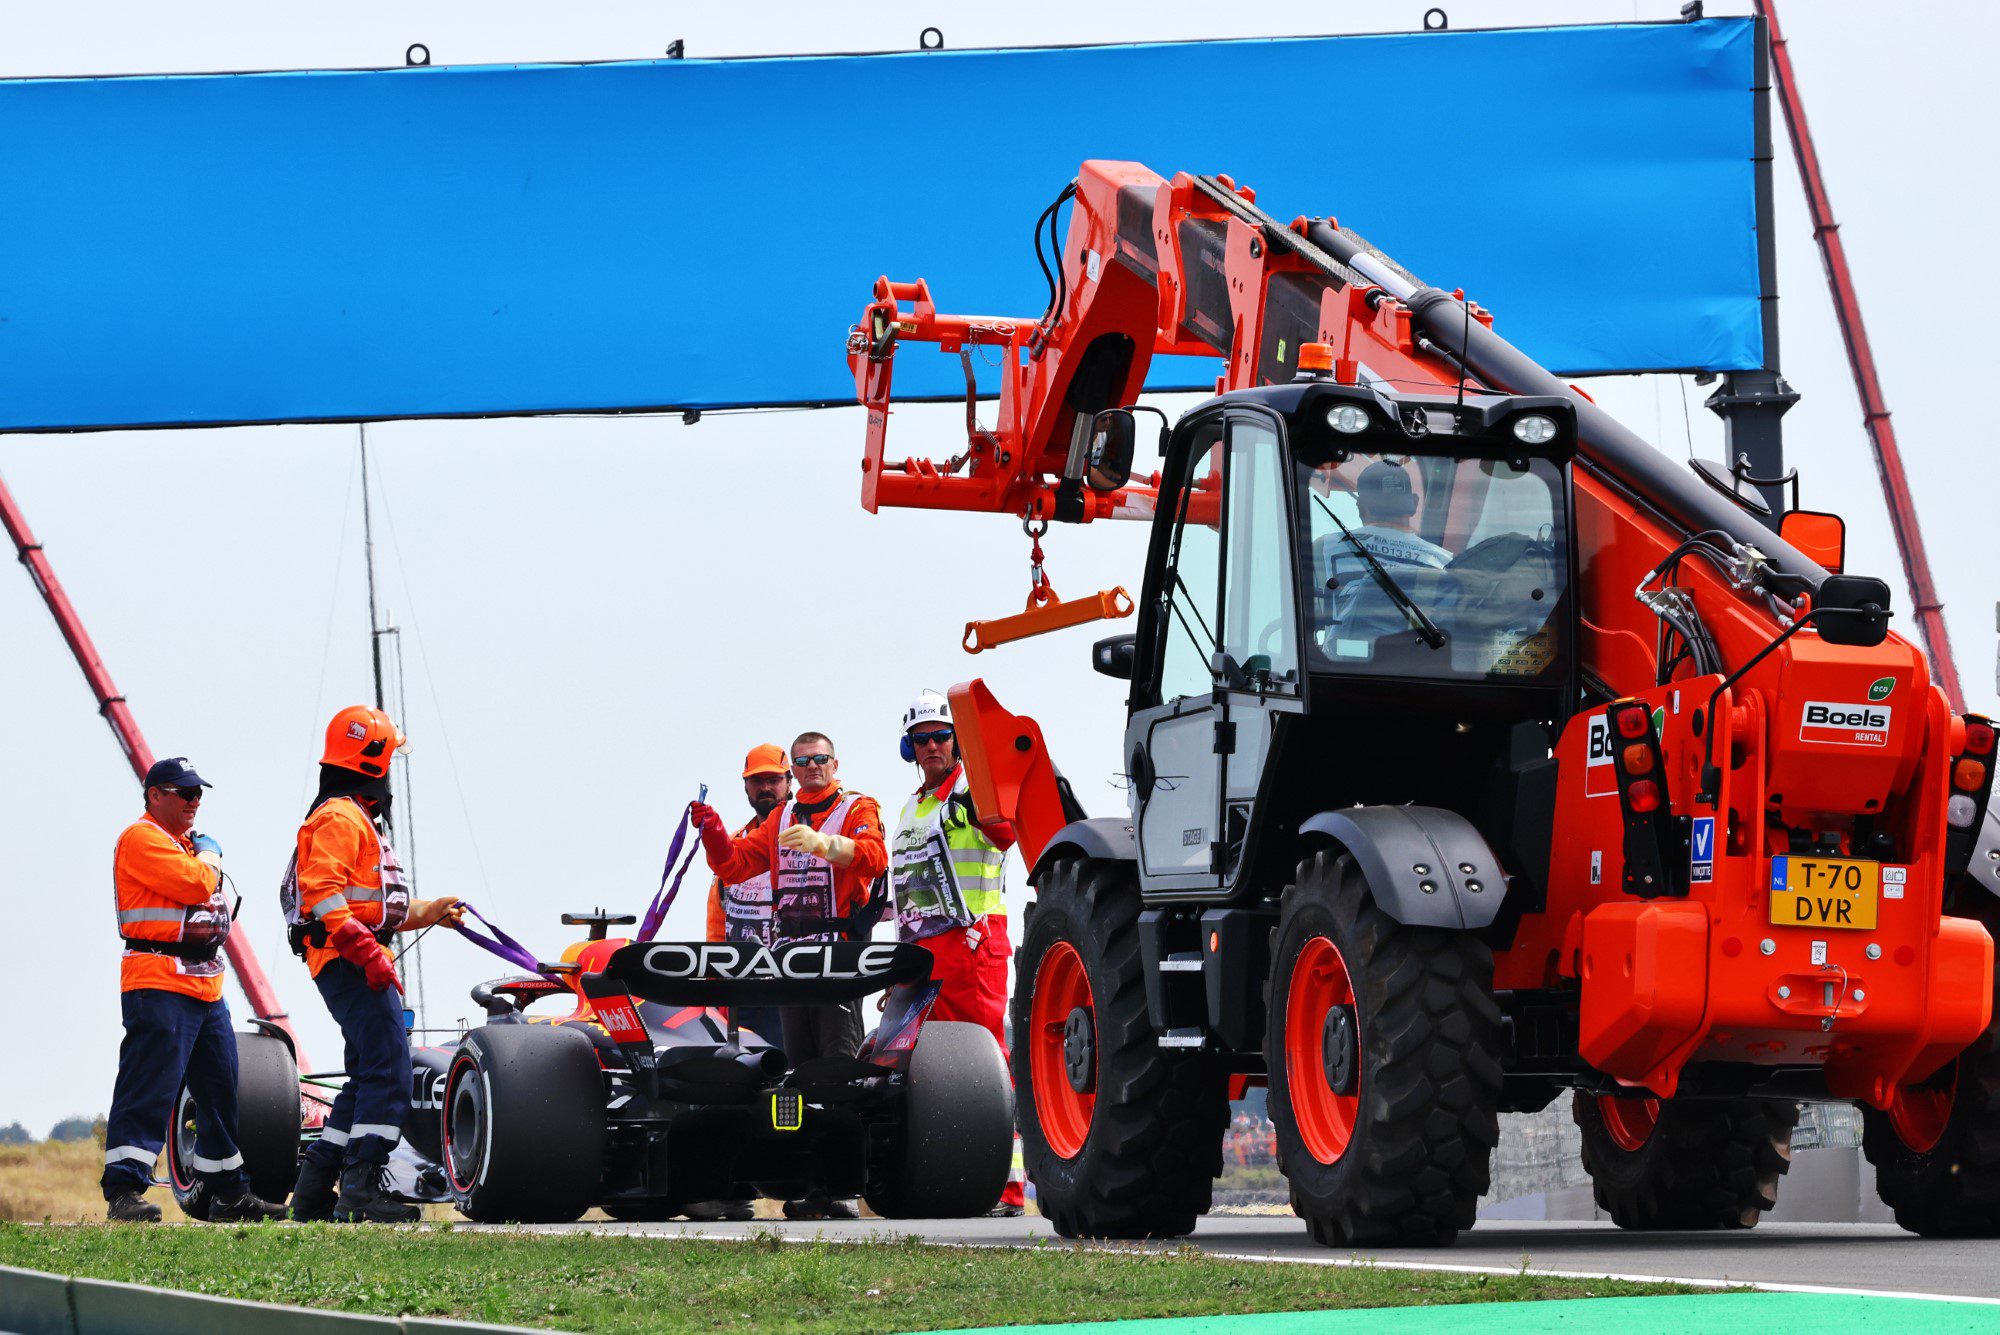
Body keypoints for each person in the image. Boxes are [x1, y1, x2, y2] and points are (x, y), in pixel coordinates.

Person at [692, 730, 887, 1220]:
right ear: (793, 772)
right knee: (797, 1080)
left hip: (838, 958)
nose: (812, 767)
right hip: (789, 961)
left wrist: (826, 845)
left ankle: (842, 1188)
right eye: (803, 762)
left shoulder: (858, 807)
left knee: (838, 1073)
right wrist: (714, 831)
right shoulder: (781, 817)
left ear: (834, 763)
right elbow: (735, 867)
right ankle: (811, 1186)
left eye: (820, 759)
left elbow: (877, 856)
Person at [282, 706, 461, 1223]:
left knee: (365, 1076)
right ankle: (362, 1192)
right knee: (390, 1072)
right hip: (349, 960)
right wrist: (366, 954)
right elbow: (323, 894)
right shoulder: (340, 817)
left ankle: (315, 1188)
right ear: (371, 762)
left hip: (353, 954)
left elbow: (371, 907)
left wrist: (431, 912)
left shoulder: (354, 817)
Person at [101, 757, 287, 1223]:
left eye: (198, 794)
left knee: (220, 1087)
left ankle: (228, 1191)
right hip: (159, 980)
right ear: (155, 795)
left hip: (204, 983)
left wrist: (202, 854)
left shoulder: (183, 845)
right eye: (185, 794)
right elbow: (194, 885)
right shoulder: (141, 838)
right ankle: (125, 1190)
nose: (195, 802)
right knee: (150, 1085)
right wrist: (210, 856)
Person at [887, 691, 1026, 1217]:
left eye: (941, 736)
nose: (931, 747)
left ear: (957, 739)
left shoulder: (973, 786)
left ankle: (1006, 1190)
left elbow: (1006, 834)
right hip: (921, 946)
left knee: (984, 1061)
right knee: (925, 1067)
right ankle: (945, 1176)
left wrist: (980, 811)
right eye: (920, 739)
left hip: (972, 941)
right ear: (910, 747)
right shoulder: (911, 807)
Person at [703, 742, 792, 1043]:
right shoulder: (736, 843)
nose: (765, 787)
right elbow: (718, 921)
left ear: (789, 781)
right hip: (741, 988)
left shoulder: (811, 832)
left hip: (794, 984)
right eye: (756, 781)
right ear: (746, 787)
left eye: (773, 779)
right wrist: (715, 986)